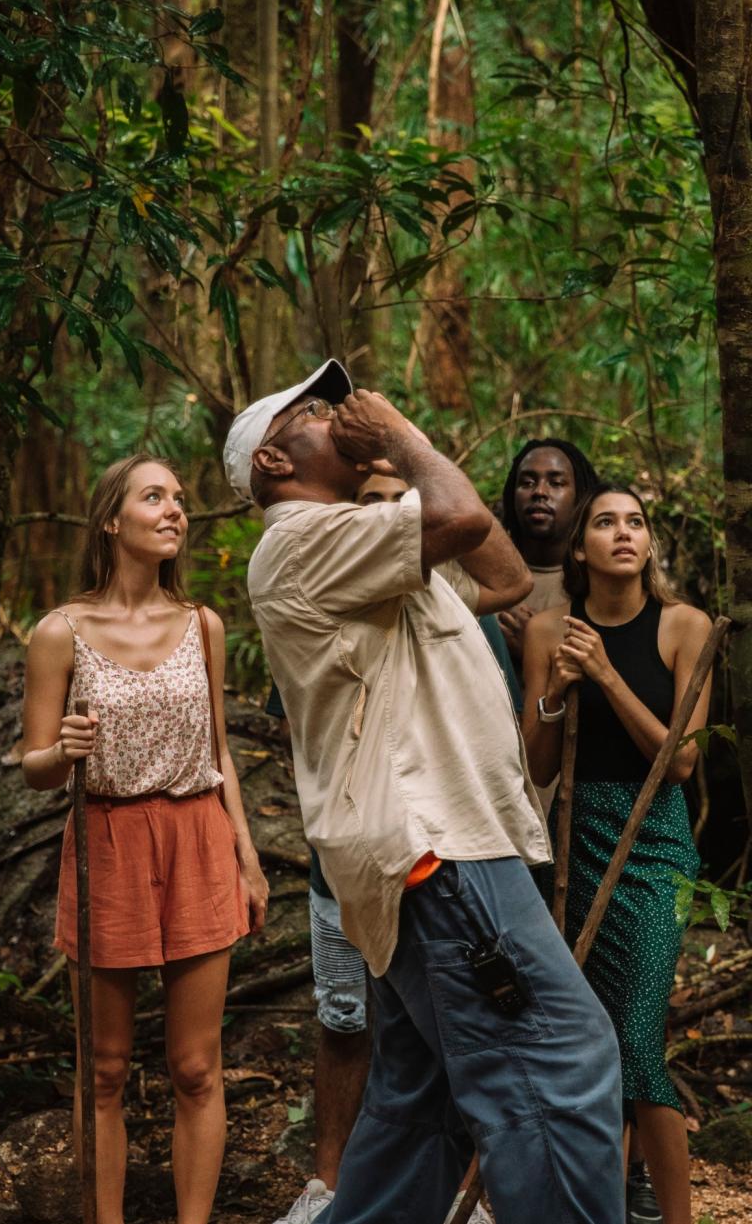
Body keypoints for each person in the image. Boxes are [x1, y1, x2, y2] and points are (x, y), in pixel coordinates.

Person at [223, 360, 625, 1224]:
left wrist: (396, 469)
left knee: (419, 1110)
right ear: (272, 462)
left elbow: (508, 576)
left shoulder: (366, 542)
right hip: (438, 849)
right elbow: (462, 513)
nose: (338, 414)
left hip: (439, 849)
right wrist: (404, 437)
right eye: (313, 412)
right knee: (561, 1064)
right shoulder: (299, 542)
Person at [21, 453, 268, 1224]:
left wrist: (248, 857)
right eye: (153, 497)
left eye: (179, 500)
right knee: (104, 1070)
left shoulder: (204, 625)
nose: (174, 511)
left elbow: (221, 750)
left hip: (197, 837)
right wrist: (61, 751)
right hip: (109, 841)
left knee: (196, 1065)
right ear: (110, 520)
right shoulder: (59, 631)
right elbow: (34, 768)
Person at [271, 468, 512, 1224]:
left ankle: (460, 1193)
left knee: (444, 1032)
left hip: (442, 864)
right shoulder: (324, 598)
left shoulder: (454, 606)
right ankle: (331, 1186)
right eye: (368, 504)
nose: (385, 516)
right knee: (346, 1018)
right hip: (346, 860)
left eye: (397, 503)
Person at [521, 483, 712, 1224]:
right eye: (605, 522)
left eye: (635, 522)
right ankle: (603, 1204)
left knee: (635, 1039)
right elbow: (535, 767)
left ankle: (675, 1215)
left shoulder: (683, 626)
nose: (624, 533)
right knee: (590, 1043)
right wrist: (557, 694)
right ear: (580, 547)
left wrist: (605, 672)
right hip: (577, 841)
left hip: (656, 839)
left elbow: (683, 764)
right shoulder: (546, 631)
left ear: (649, 544)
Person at [498, 438, 599, 662]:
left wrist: (534, 649)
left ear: (580, 496)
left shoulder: (598, 583)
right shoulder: (485, 575)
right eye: (527, 482)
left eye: (556, 483)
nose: (540, 492)